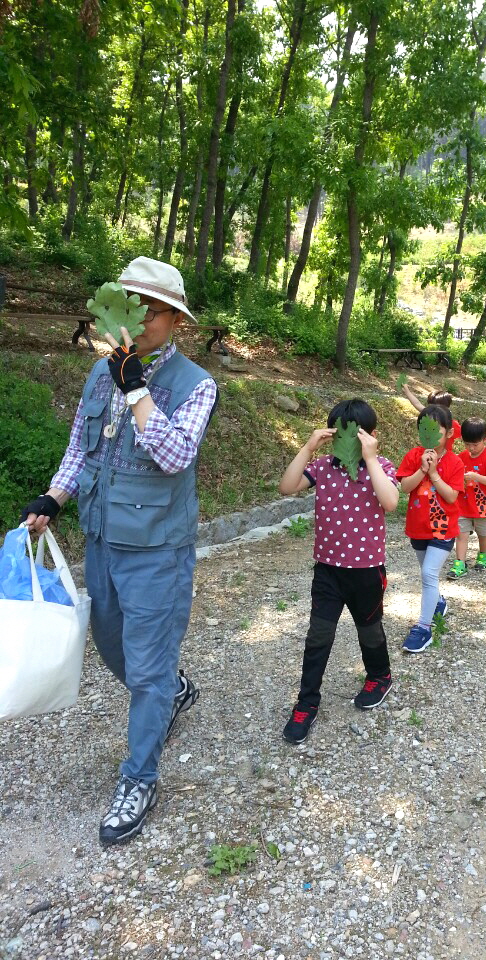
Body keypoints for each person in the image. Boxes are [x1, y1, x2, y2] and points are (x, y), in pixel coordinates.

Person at [21, 256, 218, 845]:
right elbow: (81, 447)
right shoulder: (99, 373)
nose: (138, 318)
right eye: (128, 303)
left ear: (173, 320)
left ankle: (140, 775)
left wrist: (136, 387)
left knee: (148, 664)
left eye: (150, 309)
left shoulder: (196, 384)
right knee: (109, 640)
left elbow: (175, 454)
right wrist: (55, 496)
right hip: (104, 539)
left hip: (158, 547)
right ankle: (169, 688)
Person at [278, 399, 399, 744]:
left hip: (367, 572)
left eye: (357, 436)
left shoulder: (382, 467)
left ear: (371, 437)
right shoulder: (323, 468)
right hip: (327, 572)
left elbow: (390, 503)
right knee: (318, 636)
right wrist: (308, 446)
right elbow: (287, 487)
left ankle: (379, 675)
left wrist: (371, 458)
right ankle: (306, 702)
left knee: (369, 631)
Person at [396, 404, 464, 653]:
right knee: (427, 574)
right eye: (424, 428)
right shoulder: (414, 455)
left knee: (428, 574)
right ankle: (438, 602)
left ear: (448, 433)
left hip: (443, 529)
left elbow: (451, 497)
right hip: (417, 527)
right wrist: (422, 469)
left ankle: (423, 628)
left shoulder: (455, 462)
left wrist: (434, 473)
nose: (430, 433)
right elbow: (405, 488)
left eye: (436, 429)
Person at [447, 418, 486, 579]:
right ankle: (460, 563)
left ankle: (483, 554)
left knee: (483, 534)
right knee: (461, 534)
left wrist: (476, 476)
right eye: (467, 444)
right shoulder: (461, 457)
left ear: (485, 440)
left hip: (483, 506)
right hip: (463, 505)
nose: (471, 448)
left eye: (475, 445)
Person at [400, 382, 461, 452]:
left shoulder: (451, 424)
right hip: (427, 454)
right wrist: (407, 392)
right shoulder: (428, 417)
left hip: (444, 458)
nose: (432, 410)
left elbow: (466, 436)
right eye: (430, 407)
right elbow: (417, 403)